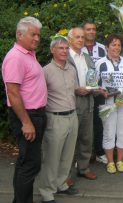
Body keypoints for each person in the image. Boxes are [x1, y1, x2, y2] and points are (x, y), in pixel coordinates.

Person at [2, 16, 47, 203]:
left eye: (38, 35)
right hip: (28, 116)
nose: (37, 38)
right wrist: (26, 122)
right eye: (33, 34)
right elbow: (12, 93)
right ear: (19, 35)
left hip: (36, 115)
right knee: (28, 164)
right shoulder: (15, 57)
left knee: (28, 163)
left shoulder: (28, 53)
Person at [38, 37, 79, 203]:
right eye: (60, 48)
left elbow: (75, 90)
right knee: (51, 157)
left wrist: (85, 90)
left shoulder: (72, 70)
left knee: (67, 155)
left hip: (72, 116)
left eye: (66, 48)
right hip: (55, 118)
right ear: (52, 50)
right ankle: (47, 191)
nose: (64, 51)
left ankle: (61, 184)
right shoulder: (45, 71)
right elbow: (39, 96)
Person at [95, 34, 123, 173]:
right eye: (113, 44)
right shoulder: (100, 63)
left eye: (118, 45)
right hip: (107, 103)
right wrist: (101, 91)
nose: (116, 47)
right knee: (109, 132)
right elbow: (94, 84)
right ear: (107, 47)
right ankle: (110, 162)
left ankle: (120, 161)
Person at [67, 27, 97, 180]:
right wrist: (75, 89)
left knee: (86, 137)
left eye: (82, 37)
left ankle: (83, 168)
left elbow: (93, 76)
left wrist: (95, 87)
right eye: (77, 37)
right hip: (71, 101)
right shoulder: (64, 56)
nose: (80, 40)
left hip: (88, 100)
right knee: (70, 139)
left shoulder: (86, 57)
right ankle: (65, 174)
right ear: (70, 39)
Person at [81, 21, 108, 165]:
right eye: (88, 29)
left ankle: (99, 152)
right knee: (83, 124)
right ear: (83, 31)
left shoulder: (103, 48)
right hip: (83, 91)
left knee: (99, 123)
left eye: (93, 29)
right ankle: (83, 156)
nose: (91, 32)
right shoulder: (77, 48)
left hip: (99, 92)